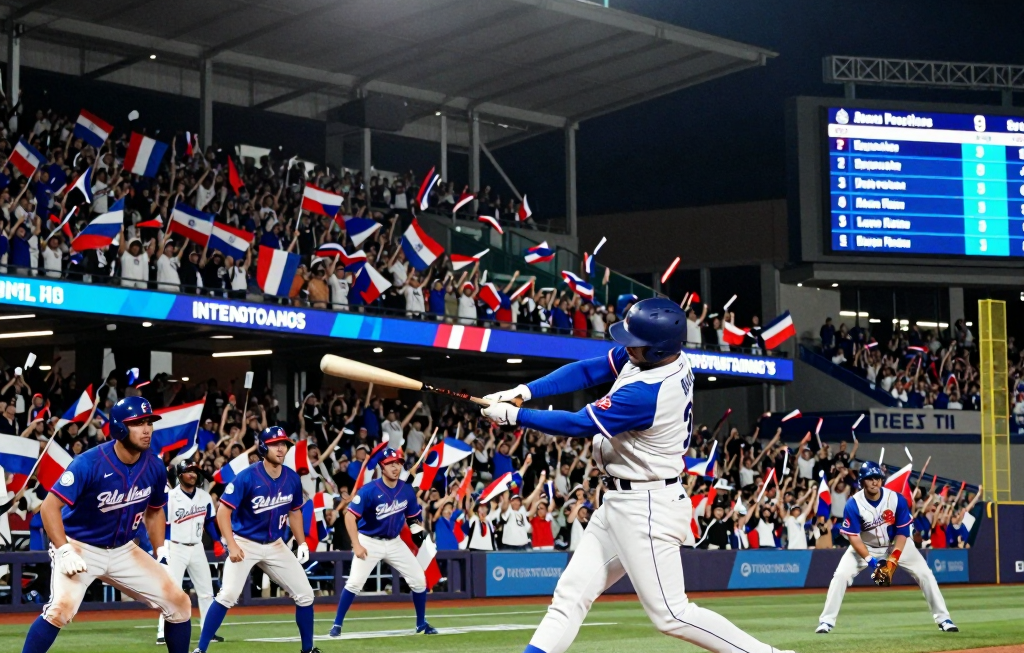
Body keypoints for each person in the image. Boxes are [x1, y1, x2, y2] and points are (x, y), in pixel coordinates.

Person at [479, 297, 794, 653]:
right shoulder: (659, 357)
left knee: (671, 614)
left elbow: (579, 423)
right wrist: (524, 392)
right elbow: (586, 371)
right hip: (621, 500)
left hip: (646, 504)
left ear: (659, 350)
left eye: (635, 342)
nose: (626, 346)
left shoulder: (649, 392)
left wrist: (514, 416)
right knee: (569, 596)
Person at [21, 397, 193, 653]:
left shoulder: (155, 466)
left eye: (149, 422)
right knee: (60, 609)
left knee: (179, 603)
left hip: (124, 549)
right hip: (80, 547)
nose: (147, 429)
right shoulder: (89, 462)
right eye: (137, 423)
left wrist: (160, 551)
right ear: (119, 427)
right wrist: (64, 549)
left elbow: (155, 511)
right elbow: (49, 507)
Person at [193, 427, 319, 653]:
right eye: (275, 444)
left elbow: (295, 511)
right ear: (263, 447)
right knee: (228, 595)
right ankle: (200, 650)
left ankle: (308, 649)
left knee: (306, 594)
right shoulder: (247, 476)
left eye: (284, 444)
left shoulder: (291, 477)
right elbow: (223, 512)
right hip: (245, 542)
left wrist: (301, 543)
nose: (281, 448)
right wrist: (230, 544)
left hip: (275, 544)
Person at [815, 461, 957, 634]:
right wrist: (871, 561)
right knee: (841, 575)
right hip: (866, 546)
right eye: (870, 478)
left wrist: (893, 560)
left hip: (896, 544)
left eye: (878, 478)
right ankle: (826, 622)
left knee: (925, 573)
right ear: (862, 482)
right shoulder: (854, 504)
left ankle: (944, 619)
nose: (875, 482)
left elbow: (903, 532)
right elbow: (853, 536)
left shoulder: (896, 499)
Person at [330, 447, 437, 637]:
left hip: (394, 541)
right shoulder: (369, 490)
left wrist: (418, 533)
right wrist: (356, 544)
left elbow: (413, 519)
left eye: (398, 463)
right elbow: (349, 517)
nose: (395, 467)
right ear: (382, 467)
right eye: (390, 464)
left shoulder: (406, 491)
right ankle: (337, 625)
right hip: (369, 540)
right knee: (354, 583)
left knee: (419, 580)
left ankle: (421, 624)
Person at [156, 460, 224, 646]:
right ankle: (162, 631)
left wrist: (217, 541)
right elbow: (163, 525)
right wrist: (163, 547)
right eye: (188, 471)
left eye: (194, 471)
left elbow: (209, 521)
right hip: (175, 546)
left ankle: (208, 630)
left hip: (197, 547)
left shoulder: (204, 496)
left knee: (206, 592)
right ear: (179, 475)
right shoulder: (170, 497)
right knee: (171, 591)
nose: (192, 474)